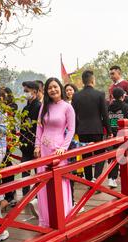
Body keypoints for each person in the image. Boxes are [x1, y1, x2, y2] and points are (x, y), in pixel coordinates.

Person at [34, 77, 75, 227]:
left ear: (61, 88)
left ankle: (62, 215)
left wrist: (63, 148)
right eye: (50, 88)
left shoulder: (67, 107)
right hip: (44, 149)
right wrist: (37, 146)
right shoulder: (44, 105)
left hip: (58, 149)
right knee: (44, 182)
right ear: (46, 90)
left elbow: (71, 130)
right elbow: (39, 127)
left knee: (59, 181)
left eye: (55, 87)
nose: (53, 90)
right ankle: (46, 219)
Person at [72, 70, 111, 182]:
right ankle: (96, 177)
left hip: (82, 130)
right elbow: (105, 114)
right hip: (96, 129)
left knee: (86, 156)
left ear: (83, 81)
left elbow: (74, 115)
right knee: (100, 154)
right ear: (92, 80)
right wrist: (109, 131)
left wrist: (74, 131)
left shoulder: (76, 96)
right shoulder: (99, 94)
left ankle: (89, 179)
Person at [107, 87, 128, 188]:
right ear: (122, 96)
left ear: (113, 96)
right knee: (123, 154)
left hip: (111, 134)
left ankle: (111, 178)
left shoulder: (109, 107)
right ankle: (123, 176)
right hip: (122, 134)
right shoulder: (125, 106)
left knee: (113, 156)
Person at [20, 81, 41, 207]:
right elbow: (22, 127)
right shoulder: (25, 108)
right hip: (25, 146)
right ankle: (25, 197)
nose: (25, 93)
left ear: (35, 91)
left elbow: (40, 128)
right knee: (25, 174)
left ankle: (39, 197)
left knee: (38, 173)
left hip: (35, 145)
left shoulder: (39, 107)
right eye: (24, 91)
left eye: (27, 91)